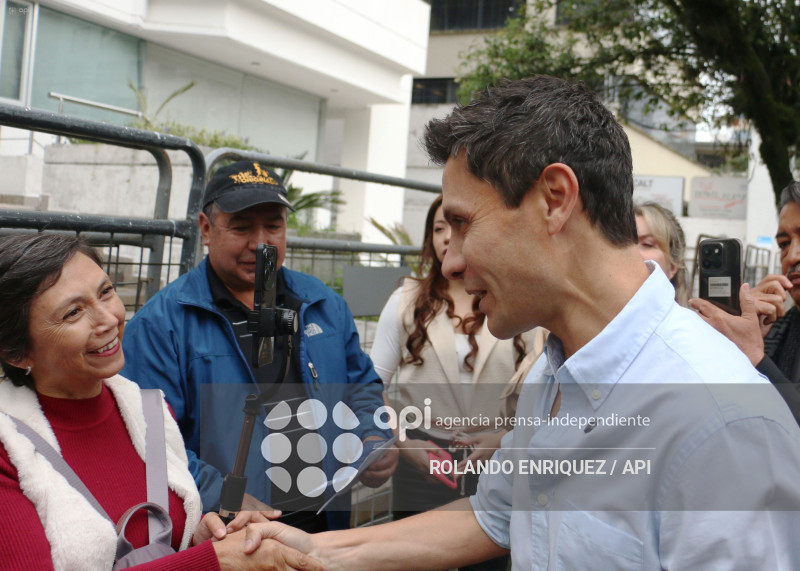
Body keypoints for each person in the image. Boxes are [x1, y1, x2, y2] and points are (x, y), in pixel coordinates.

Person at [229, 76, 800, 569]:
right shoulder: (551, 377)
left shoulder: (722, 426)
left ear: (554, 199)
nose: (449, 260)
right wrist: (316, 552)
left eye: (462, 222)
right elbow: (495, 512)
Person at [0, 234, 323, 570]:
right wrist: (211, 561)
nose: (110, 319)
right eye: (73, 312)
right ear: (16, 352)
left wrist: (196, 538)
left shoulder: (149, 411)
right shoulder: (9, 449)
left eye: (106, 292)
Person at [121, 161, 397, 534]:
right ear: (206, 228)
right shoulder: (161, 326)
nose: (261, 243)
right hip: (235, 535)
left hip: (328, 524)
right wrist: (222, 495)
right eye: (241, 227)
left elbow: (361, 385)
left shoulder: (323, 305)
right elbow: (151, 439)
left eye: (273, 225)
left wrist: (373, 437)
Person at [370, 194, 539, 570]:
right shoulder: (406, 299)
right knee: (412, 557)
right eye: (439, 227)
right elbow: (370, 385)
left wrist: (503, 440)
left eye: (459, 224)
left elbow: (541, 391)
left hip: (498, 461)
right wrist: (406, 444)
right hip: (422, 462)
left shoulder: (518, 301)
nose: (448, 236)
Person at [691, 180, 800, 420]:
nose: (792, 256)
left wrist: (755, 355)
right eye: (784, 244)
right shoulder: (777, 326)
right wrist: (739, 342)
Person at [634, 201, 689, 305]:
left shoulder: (687, 321)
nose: (632, 252)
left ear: (673, 266)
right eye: (624, 244)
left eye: (647, 244)